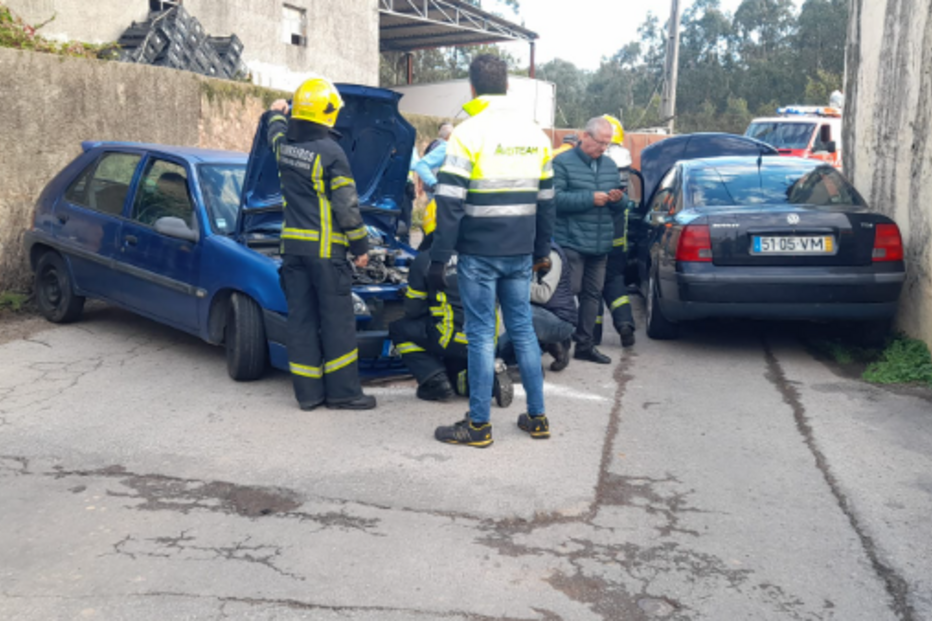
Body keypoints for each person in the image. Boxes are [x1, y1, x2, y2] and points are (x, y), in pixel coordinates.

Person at [429, 54, 555, 447]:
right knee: (522, 330)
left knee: (482, 334)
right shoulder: (535, 135)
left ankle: (479, 426)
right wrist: (542, 251)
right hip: (520, 253)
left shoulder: (468, 133)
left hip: (479, 255)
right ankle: (537, 419)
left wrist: (438, 257)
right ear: (508, 86)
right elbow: (546, 201)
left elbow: (449, 202)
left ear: (472, 87)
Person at [268, 76, 376, 411]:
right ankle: (344, 394)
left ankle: (308, 395)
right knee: (336, 322)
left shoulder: (285, 147)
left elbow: (273, 134)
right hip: (327, 254)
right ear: (326, 114)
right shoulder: (332, 152)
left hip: (294, 252)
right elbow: (346, 208)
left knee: (300, 321)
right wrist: (360, 248)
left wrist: (275, 114)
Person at [388, 224, 513, 406]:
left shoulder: (425, 260)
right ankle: (491, 375)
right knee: (459, 380)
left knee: (399, 329)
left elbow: (413, 310)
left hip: (450, 337)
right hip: (485, 341)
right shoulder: (483, 258)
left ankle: (435, 379)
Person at [552, 116, 625, 365]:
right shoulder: (562, 163)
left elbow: (623, 204)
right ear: (586, 136)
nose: (603, 148)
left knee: (592, 295)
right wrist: (589, 199)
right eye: (600, 143)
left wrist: (618, 199)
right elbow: (554, 199)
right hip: (571, 241)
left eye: (608, 144)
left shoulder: (610, 166)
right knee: (567, 293)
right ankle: (559, 343)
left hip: (600, 242)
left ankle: (585, 345)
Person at [498, 239, 576, 373]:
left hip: (560, 321)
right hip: (543, 314)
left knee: (516, 310)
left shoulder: (550, 255)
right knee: (499, 350)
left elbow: (543, 294)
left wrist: (513, 284)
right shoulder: (529, 249)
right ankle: (553, 346)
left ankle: (531, 366)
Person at [596, 114, 636, 348]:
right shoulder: (624, 157)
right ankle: (624, 323)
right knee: (615, 282)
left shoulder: (598, 160)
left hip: (594, 235)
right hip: (619, 238)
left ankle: (592, 335)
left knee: (592, 288)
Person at [413, 122, 454, 200]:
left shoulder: (434, 144)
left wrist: (421, 184)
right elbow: (423, 165)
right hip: (436, 188)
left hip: (433, 186)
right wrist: (434, 184)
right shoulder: (444, 147)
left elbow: (423, 164)